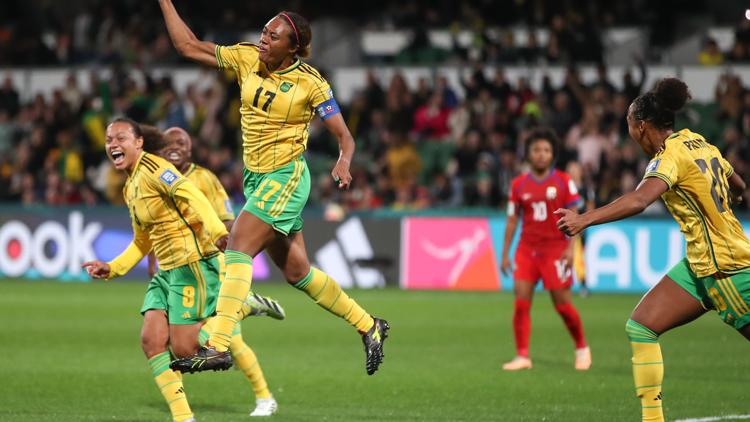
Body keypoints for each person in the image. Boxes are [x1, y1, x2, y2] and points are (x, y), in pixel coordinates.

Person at [158, 1, 389, 375]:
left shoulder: (311, 83)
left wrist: (344, 160)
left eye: (273, 36)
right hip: (257, 180)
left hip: (286, 177)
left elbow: (345, 136)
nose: (263, 40)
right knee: (298, 273)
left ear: (293, 48)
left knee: (238, 245)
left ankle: (217, 344)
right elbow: (188, 46)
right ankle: (369, 325)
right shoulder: (246, 57)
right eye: (264, 32)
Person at [556, 78, 750, 422]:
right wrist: (729, 197)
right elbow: (739, 184)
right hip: (699, 265)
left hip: (726, 270)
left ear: (642, 126)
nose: (631, 133)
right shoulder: (698, 141)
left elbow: (640, 198)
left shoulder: (669, 156)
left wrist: (584, 219)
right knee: (641, 325)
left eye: (630, 126)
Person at [82, 118, 257, 422]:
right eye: (109, 139)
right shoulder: (130, 186)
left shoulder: (154, 169)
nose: (113, 144)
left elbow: (191, 194)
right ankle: (183, 417)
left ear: (138, 143)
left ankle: (239, 306)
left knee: (186, 350)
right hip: (165, 274)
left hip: (191, 266)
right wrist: (112, 268)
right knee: (151, 341)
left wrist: (217, 231)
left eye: (120, 137)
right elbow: (141, 240)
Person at [145, 125, 282, 416]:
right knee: (162, 341)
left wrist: (228, 261)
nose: (175, 146)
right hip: (173, 271)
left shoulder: (204, 178)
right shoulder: (154, 178)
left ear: (190, 149)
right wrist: (152, 262)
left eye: (181, 141)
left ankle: (265, 397)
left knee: (228, 339)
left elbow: (228, 221)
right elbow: (155, 229)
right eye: (169, 141)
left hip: (206, 265)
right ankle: (183, 413)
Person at [500, 128, 592, 371]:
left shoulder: (563, 181)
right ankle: (522, 356)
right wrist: (505, 254)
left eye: (546, 150)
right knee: (521, 303)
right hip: (527, 249)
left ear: (553, 154)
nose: (541, 154)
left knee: (562, 305)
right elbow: (512, 220)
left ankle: (582, 348)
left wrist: (572, 248)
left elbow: (576, 216)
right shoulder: (518, 184)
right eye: (536, 150)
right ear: (528, 154)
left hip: (555, 249)